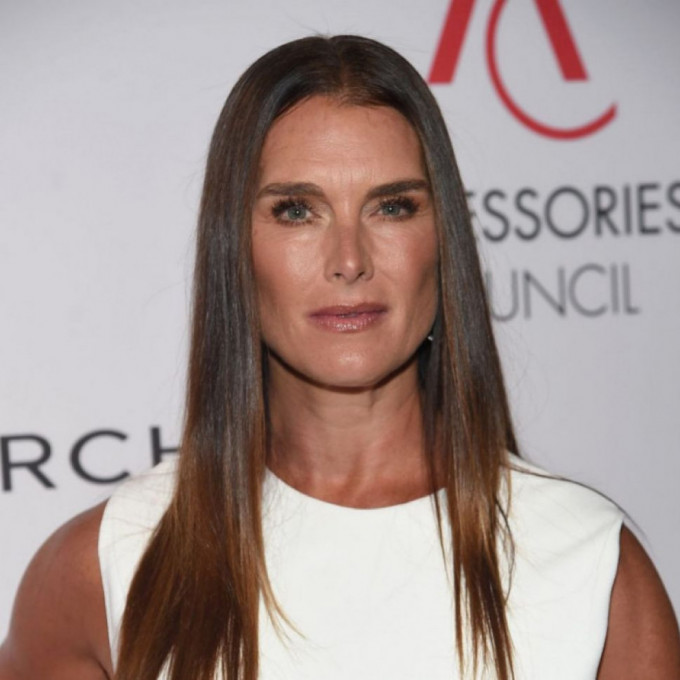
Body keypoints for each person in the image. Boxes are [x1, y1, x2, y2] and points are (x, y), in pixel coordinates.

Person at [0, 34, 678, 680]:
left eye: (393, 207)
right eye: (297, 211)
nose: (349, 260)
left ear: (442, 239)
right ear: (234, 245)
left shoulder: (591, 563)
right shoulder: (105, 566)